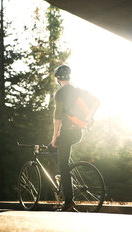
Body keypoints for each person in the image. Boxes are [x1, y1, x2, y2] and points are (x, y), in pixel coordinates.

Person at [51, 65, 82, 211]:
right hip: (78, 132)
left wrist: (55, 135)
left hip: (67, 132)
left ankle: (69, 201)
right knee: (57, 153)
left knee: (62, 164)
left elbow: (57, 116)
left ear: (58, 78)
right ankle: (63, 176)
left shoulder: (60, 92)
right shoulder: (77, 91)